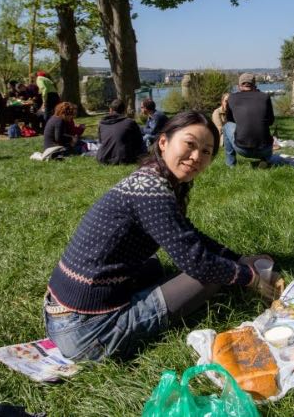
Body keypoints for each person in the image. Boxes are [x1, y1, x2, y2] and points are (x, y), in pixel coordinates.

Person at [43, 111, 279, 361]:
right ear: (163, 142)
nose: (197, 156)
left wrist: (238, 258)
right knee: (211, 275)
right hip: (87, 333)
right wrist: (249, 277)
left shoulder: (152, 177)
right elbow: (197, 262)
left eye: (207, 151)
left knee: (159, 266)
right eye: (190, 144)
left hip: (59, 311)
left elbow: (190, 235)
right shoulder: (154, 192)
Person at [223, 73, 276, 167]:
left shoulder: (232, 98)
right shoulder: (265, 97)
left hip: (242, 149)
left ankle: (230, 164)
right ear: (254, 85)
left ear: (239, 86)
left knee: (227, 126)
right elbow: (271, 121)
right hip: (265, 149)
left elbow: (230, 120)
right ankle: (264, 159)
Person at [97, 98, 147, 165]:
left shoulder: (102, 123)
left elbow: (100, 141)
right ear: (124, 110)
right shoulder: (130, 122)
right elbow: (139, 141)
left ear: (110, 110)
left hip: (103, 157)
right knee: (144, 142)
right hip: (124, 158)